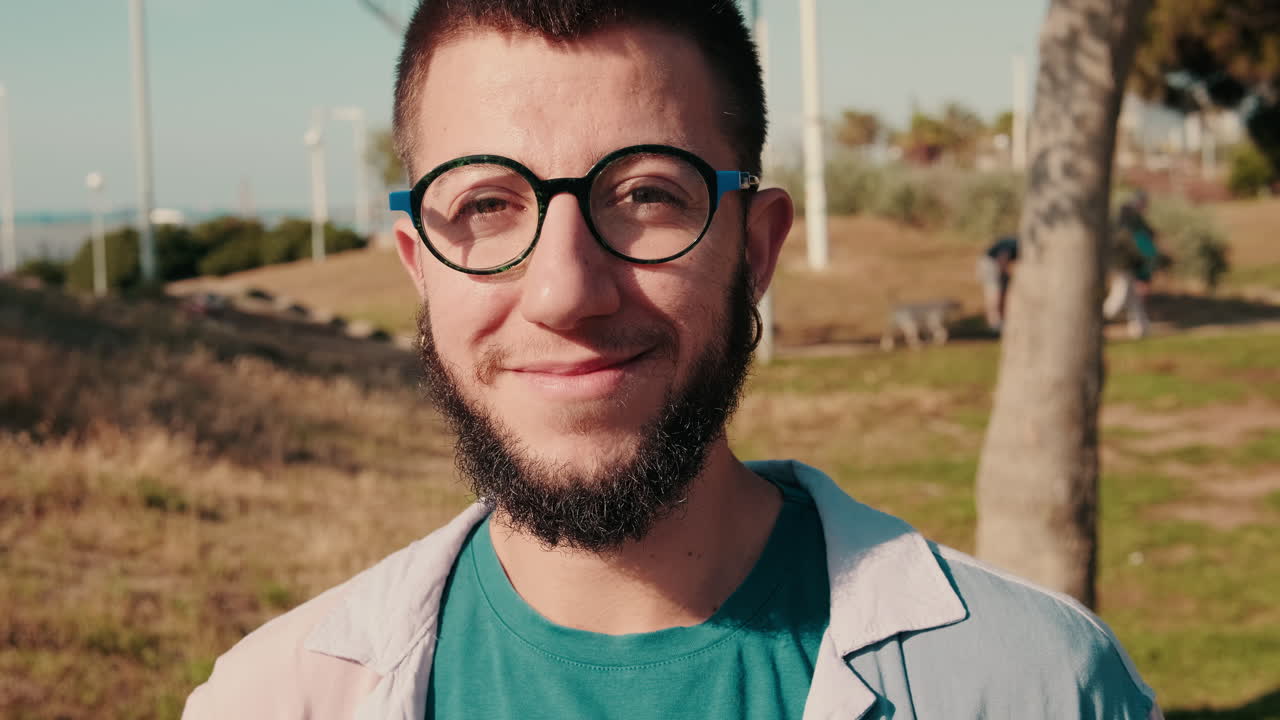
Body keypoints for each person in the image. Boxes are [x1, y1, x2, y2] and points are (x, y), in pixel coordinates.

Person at [183, 2, 1162, 718]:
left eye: (647, 194)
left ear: (757, 247)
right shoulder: (272, 699)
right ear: (419, 267)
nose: (565, 290)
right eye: (485, 206)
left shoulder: (1037, 686)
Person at [1104, 190, 1159, 339]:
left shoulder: (1132, 220)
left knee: (1132, 297)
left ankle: (1141, 328)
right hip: (1124, 264)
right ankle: (1101, 318)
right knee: (1120, 295)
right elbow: (1132, 245)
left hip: (1127, 263)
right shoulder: (1129, 221)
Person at [977, 235, 1018, 332]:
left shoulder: (1016, 242)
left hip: (991, 264)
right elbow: (1002, 258)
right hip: (989, 264)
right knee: (995, 294)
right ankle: (995, 324)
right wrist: (1005, 274)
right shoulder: (1015, 243)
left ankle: (998, 322)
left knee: (998, 293)